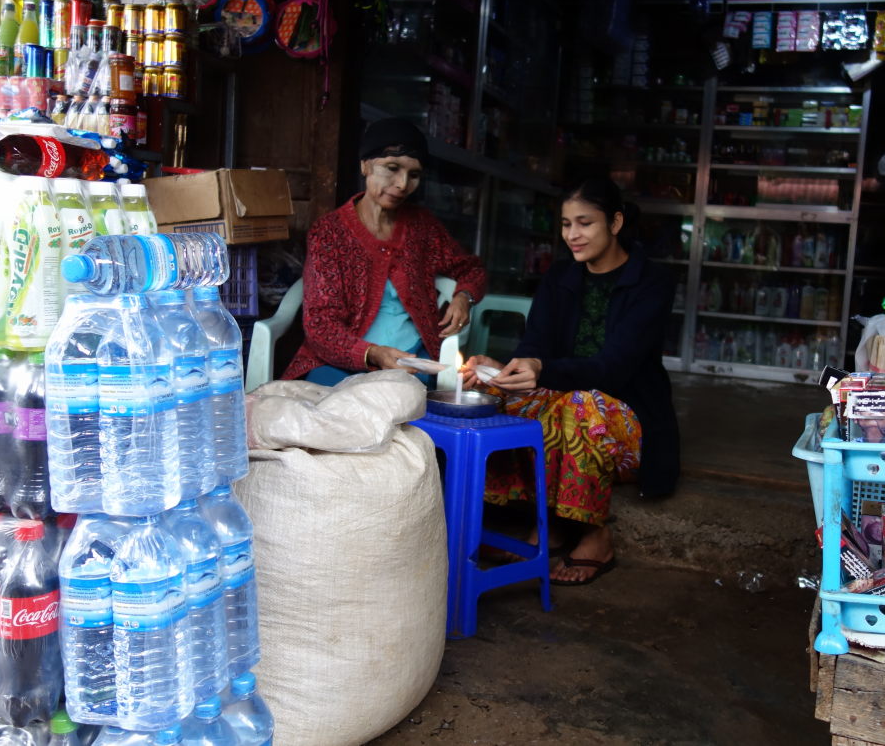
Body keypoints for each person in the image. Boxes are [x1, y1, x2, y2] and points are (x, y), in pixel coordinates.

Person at [465, 176, 681, 585]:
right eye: (566, 224)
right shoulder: (560, 276)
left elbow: (614, 368)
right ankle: (546, 520)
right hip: (564, 403)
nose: (573, 235)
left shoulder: (653, 282)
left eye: (585, 223)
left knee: (581, 404)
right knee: (488, 394)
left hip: (625, 422)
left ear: (615, 223)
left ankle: (594, 533)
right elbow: (535, 345)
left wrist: (542, 371)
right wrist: (502, 369)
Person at [283, 117, 487, 384]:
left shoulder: (423, 227)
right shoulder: (329, 233)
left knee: (405, 400)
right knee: (330, 403)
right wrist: (372, 354)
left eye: (414, 175)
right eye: (392, 168)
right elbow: (321, 326)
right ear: (365, 165)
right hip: (342, 361)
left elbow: (472, 269)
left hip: (412, 360)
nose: (403, 184)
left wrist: (464, 297)